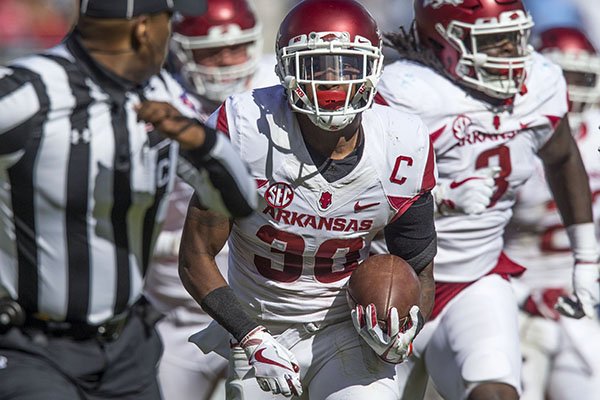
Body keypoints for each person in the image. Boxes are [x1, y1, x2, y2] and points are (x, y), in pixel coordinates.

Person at [179, 0, 439, 398]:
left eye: (348, 66)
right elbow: (196, 256)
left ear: (373, 68)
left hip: (349, 326)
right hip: (258, 328)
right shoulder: (246, 128)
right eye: (316, 66)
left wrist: (404, 329)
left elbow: (418, 269)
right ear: (284, 68)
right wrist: (250, 336)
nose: (333, 83)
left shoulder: (402, 144)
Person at [0, 0, 259, 398]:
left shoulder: (158, 94)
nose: (170, 35)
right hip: (33, 347)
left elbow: (240, 200)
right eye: (167, 22)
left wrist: (198, 139)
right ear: (143, 30)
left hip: (129, 350)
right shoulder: (28, 91)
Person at [374, 1, 600, 399]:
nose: (513, 55)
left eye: (515, 38)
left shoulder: (540, 83)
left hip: (474, 275)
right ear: (443, 40)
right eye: (495, 42)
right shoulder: (406, 92)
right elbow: (347, 191)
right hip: (388, 278)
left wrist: (585, 257)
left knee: (496, 393)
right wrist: (438, 198)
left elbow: (563, 156)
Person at [142, 1, 279, 399]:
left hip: (268, 310)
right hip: (178, 312)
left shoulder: (281, 85)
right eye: (210, 51)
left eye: (237, 48)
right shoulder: (153, 99)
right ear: (182, 50)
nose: (226, 62)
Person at [504, 26, 600, 400]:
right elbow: (475, 234)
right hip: (516, 300)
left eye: (582, 77)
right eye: (564, 76)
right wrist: (522, 294)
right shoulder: (512, 137)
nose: (573, 89)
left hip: (583, 302)